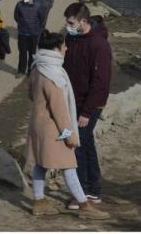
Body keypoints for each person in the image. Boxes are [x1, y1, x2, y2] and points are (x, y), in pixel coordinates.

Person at [26, 33, 110, 220]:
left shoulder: (37, 67)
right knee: (69, 165)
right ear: (56, 48)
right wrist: (71, 135)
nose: (66, 48)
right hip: (53, 129)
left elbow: (31, 94)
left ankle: (39, 202)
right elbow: (60, 110)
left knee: (40, 164)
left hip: (37, 124)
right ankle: (84, 205)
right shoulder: (53, 74)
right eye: (63, 46)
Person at [63, 2, 113, 205]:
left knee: (78, 145)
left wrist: (86, 112)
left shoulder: (99, 45)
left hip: (89, 105)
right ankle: (94, 189)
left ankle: (82, 192)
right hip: (74, 100)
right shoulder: (72, 38)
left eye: (71, 22)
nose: (67, 25)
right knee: (87, 144)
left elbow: (101, 83)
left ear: (83, 21)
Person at [14, 0, 43, 77]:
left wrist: (35, 26)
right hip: (22, 34)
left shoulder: (37, 6)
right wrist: (22, 23)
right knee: (22, 53)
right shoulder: (19, 5)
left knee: (32, 54)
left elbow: (41, 17)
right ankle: (21, 71)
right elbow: (16, 16)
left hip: (33, 35)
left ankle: (31, 72)